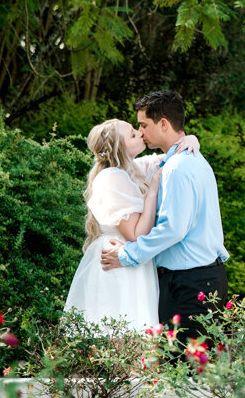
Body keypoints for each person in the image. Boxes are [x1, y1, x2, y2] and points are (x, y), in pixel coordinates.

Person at [100, 90, 229, 348]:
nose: (141, 132)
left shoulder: (178, 168)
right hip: (199, 279)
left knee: (184, 372)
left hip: (190, 284)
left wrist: (128, 255)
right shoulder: (183, 160)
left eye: (144, 125)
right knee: (191, 372)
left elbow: (173, 229)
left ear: (164, 124)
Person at [62, 119, 199, 334]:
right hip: (118, 261)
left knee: (139, 335)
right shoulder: (112, 178)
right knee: (125, 333)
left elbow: (172, 156)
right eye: (133, 134)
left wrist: (190, 139)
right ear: (119, 148)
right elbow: (136, 234)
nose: (140, 134)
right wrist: (152, 191)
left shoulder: (133, 168)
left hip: (132, 259)